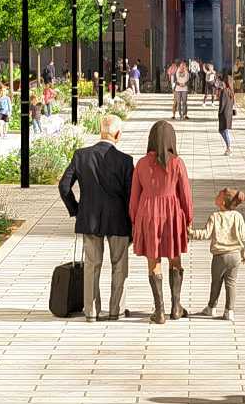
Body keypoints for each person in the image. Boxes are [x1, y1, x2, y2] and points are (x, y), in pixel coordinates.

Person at [58, 113, 135, 321]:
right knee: (119, 265)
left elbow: (64, 186)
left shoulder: (81, 155)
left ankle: (91, 311)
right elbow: (131, 196)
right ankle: (116, 310)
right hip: (118, 219)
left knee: (92, 265)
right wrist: (133, 223)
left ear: (101, 131)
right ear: (117, 134)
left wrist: (76, 209)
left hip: (89, 218)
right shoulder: (126, 161)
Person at [129, 120, 193, 324]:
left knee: (153, 261)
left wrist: (134, 221)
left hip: (148, 214)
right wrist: (188, 219)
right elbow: (186, 196)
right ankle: (176, 307)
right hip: (173, 215)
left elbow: (134, 198)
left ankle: (160, 311)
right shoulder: (177, 163)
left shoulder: (140, 164)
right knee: (175, 259)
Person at [191, 188, 245, 319]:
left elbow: (205, 234)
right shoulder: (238, 216)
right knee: (231, 283)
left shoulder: (215, 217)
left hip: (220, 256)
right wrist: (243, 253)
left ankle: (211, 307)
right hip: (235, 255)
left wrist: (190, 233)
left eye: (219, 195)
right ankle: (229, 311)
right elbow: (244, 236)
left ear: (222, 202)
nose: (216, 195)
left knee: (216, 282)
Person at [216, 74, 235, 155]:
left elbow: (222, 104)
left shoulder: (224, 91)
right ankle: (228, 145)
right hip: (229, 113)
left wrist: (219, 113)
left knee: (223, 130)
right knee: (224, 130)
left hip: (224, 113)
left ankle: (229, 148)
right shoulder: (231, 91)